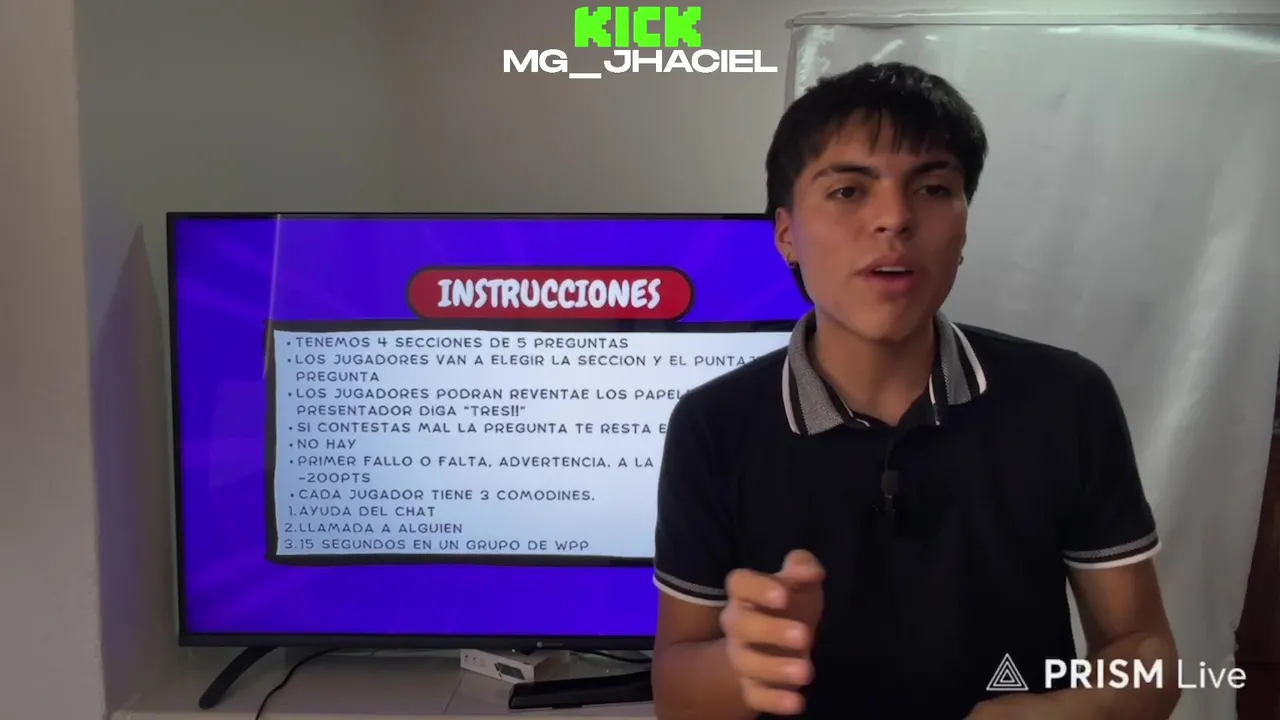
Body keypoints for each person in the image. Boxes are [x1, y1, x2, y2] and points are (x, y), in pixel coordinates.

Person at [650, 62, 1180, 719]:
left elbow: (1145, 652)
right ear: (786, 234)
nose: (894, 219)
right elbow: (676, 690)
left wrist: (1053, 715)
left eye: (932, 188)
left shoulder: (1067, 400)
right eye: (848, 190)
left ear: (964, 227)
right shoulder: (714, 424)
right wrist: (743, 666)